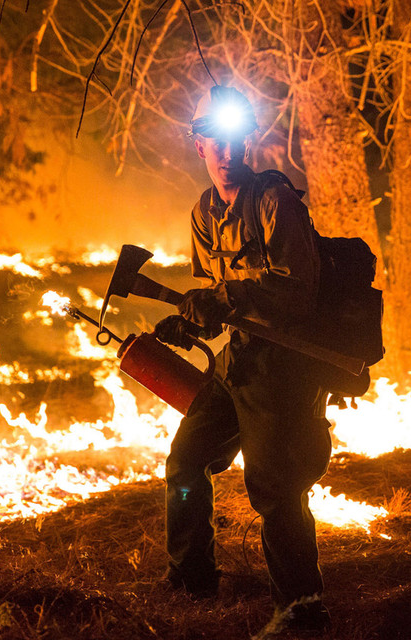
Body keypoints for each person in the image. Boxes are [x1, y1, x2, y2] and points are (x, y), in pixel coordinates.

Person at [153, 85, 333, 635]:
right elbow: (213, 292)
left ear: (247, 143)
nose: (227, 152)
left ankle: (301, 608)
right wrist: (190, 320)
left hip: (283, 365)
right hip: (237, 362)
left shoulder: (274, 201)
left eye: (236, 140)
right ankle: (191, 580)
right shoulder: (205, 212)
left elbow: (297, 290)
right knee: (185, 462)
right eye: (215, 141)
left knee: (274, 487)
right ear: (200, 146)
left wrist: (223, 299)